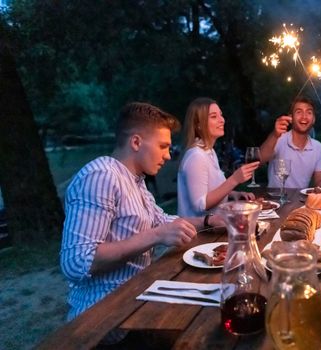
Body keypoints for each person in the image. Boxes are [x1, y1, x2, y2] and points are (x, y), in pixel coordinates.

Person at [60, 102, 223, 343]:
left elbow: (162, 220)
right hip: (105, 323)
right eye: (163, 146)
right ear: (136, 142)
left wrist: (211, 220)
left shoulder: (135, 180)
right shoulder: (101, 176)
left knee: (215, 307)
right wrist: (156, 236)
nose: (168, 155)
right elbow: (76, 263)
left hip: (137, 301)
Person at [177, 97, 259, 217]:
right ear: (198, 125)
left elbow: (210, 189)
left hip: (213, 229)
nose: (222, 120)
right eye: (214, 116)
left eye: (221, 115)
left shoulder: (209, 152)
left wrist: (233, 194)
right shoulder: (196, 157)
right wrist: (234, 179)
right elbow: (200, 205)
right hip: (197, 233)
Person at [259, 96, 321, 189]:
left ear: (313, 119)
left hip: (301, 200)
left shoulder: (317, 146)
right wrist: (274, 135)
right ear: (291, 118)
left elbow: (318, 182)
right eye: (299, 112)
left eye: (309, 112)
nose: (304, 117)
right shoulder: (278, 139)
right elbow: (259, 160)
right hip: (276, 200)